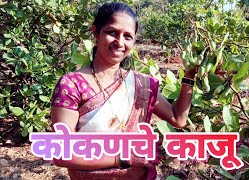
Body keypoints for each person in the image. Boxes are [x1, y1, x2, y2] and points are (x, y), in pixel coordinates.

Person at [50, 2, 196, 180]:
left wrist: (190, 75)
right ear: (95, 32)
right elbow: (61, 155)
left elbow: (178, 119)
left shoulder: (141, 84)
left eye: (128, 36)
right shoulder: (72, 85)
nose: (120, 42)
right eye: (112, 32)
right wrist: (123, 158)